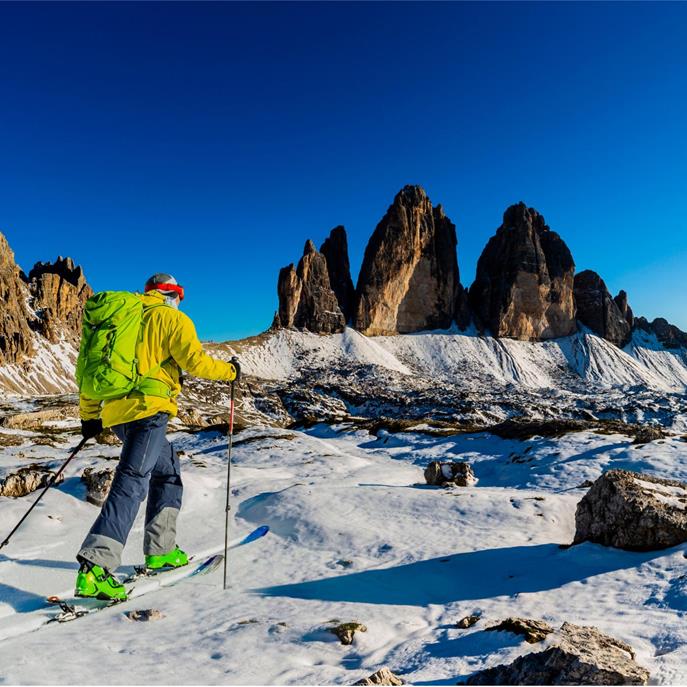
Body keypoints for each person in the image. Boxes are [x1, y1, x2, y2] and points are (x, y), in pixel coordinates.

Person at [75, 273, 240, 601]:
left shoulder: (121, 318)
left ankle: (161, 550)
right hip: (149, 412)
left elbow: (91, 369)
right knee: (133, 479)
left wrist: (90, 417)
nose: (181, 300)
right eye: (180, 294)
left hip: (118, 416)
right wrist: (231, 371)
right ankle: (96, 568)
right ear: (172, 293)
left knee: (167, 471)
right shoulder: (171, 317)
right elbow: (196, 362)